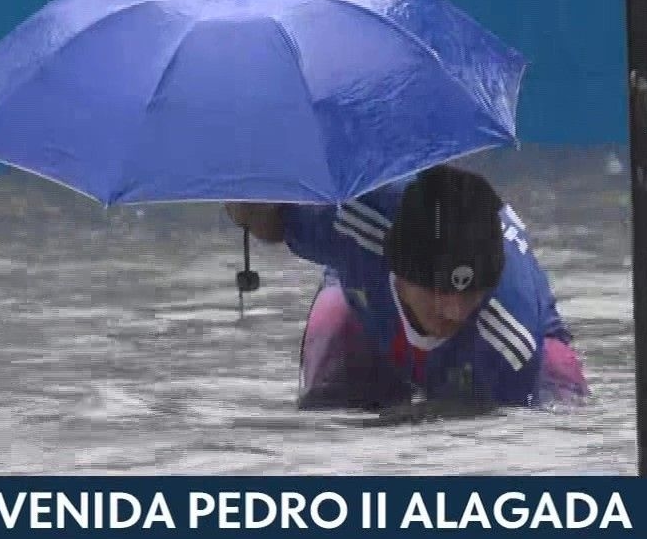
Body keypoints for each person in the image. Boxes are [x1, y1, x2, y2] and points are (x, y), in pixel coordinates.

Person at [226, 164, 588, 412]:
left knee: (555, 379)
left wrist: (429, 418)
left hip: (494, 355)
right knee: (334, 331)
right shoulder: (350, 223)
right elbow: (271, 221)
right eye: (437, 291)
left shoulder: (508, 341)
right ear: (398, 270)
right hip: (368, 311)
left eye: (469, 293)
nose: (454, 311)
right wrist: (247, 204)